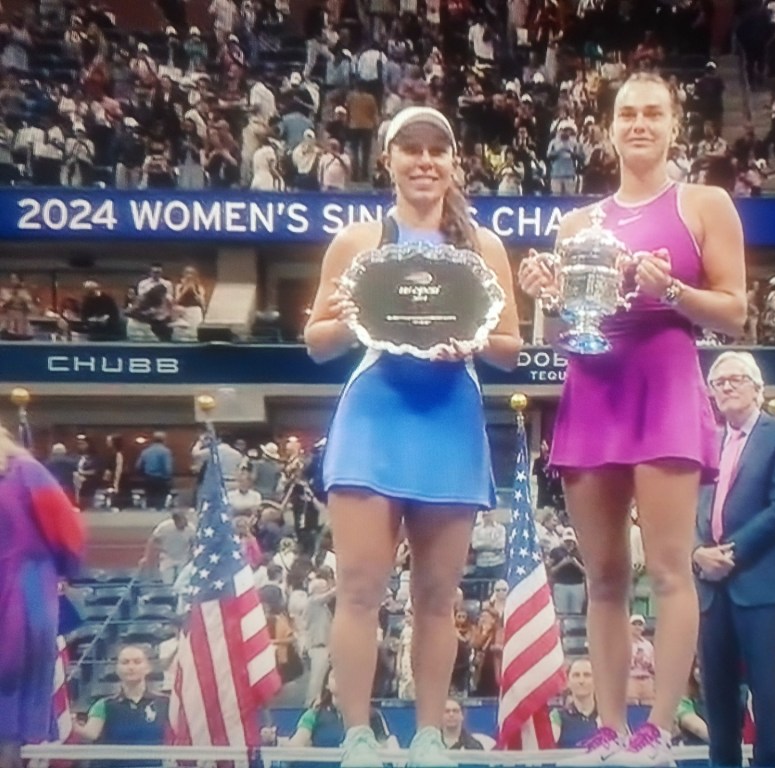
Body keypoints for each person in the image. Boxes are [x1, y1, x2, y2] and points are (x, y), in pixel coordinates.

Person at [518, 71, 746, 765]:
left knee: (670, 569)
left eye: (653, 112)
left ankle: (659, 727)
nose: (640, 124)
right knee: (605, 575)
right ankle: (611, 727)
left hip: (665, 383)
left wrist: (671, 289)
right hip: (594, 388)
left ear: (675, 126)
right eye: (627, 114)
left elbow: (734, 313)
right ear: (609, 129)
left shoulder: (705, 203)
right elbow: (572, 323)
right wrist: (546, 295)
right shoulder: (577, 225)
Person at [303, 105, 522, 768]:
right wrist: (350, 321)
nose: (424, 162)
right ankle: (358, 736)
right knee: (360, 588)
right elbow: (316, 342)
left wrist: (473, 341)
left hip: (449, 419)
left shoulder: (484, 248)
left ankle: (429, 736)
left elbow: (510, 349)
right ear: (389, 160)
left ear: (454, 161)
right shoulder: (356, 242)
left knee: (437, 595)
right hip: (375, 418)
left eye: (437, 150)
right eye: (411, 150)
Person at [694, 351, 775, 768]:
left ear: (758, 388)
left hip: (760, 583)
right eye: (718, 382)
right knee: (717, 696)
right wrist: (697, 553)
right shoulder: (705, 440)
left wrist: (729, 553)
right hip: (709, 586)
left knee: (766, 695)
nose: (725, 387)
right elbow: (688, 509)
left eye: (735, 379)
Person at [0, 420, 85, 768]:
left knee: (13, 671)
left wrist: (64, 568)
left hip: (25, 585)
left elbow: (66, 527)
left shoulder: (25, 471)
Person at [73, 645, 171, 758]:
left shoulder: (165, 702)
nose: (131, 667)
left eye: (137, 662)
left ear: (148, 668)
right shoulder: (103, 705)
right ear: (117, 669)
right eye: (125, 662)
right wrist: (72, 724)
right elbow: (91, 733)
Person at [551, 658, 601, 748]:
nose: (581, 681)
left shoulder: (606, 716)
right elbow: (548, 750)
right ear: (568, 682)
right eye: (576, 675)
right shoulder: (557, 716)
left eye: (587, 675)